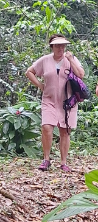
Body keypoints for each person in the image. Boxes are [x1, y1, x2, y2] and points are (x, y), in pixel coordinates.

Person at [25, 34, 85, 172]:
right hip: (49, 99)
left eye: (63, 45)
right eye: (57, 45)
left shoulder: (71, 59)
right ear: (52, 47)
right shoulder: (45, 60)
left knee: (65, 131)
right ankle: (46, 159)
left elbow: (81, 74)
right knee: (47, 127)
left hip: (68, 101)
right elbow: (29, 72)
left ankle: (63, 162)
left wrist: (70, 59)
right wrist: (40, 85)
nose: (61, 48)